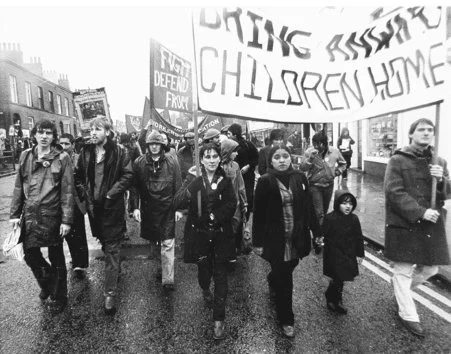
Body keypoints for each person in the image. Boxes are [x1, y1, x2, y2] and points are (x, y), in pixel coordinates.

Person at [384, 118, 450, 338]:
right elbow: (394, 192)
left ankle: (401, 293)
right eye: (421, 129)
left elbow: (447, 193)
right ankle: (408, 315)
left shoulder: (439, 160)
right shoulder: (398, 160)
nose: (426, 133)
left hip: (431, 225)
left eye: (430, 130)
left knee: (431, 269)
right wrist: (420, 211)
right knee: (402, 270)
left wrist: (441, 181)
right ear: (411, 134)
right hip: (405, 222)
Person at [253, 145, 321, 338]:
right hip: (276, 240)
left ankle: (273, 278)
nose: (282, 160)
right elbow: (258, 215)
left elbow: (309, 207)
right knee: (286, 281)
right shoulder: (266, 181)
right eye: (277, 157)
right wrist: (257, 242)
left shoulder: (299, 178)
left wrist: (317, 232)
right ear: (271, 161)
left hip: (296, 238)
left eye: (285, 156)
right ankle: (286, 319)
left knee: (286, 270)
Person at [10, 119, 74, 313]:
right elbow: (18, 186)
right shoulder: (25, 156)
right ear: (35, 135)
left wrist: (66, 220)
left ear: (54, 136)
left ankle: (60, 296)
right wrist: (14, 214)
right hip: (30, 216)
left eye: (48, 133)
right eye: (41, 132)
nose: (44, 136)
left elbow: (68, 191)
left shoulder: (62, 158)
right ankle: (48, 285)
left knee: (56, 257)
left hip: (52, 215)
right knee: (30, 255)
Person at [174, 143, 236, 340]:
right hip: (200, 237)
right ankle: (204, 288)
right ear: (201, 160)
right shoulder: (196, 181)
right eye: (207, 156)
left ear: (219, 159)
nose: (211, 160)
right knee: (204, 272)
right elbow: (179, 202)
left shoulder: (226, 181)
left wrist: (214, 217)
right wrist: (189, 179)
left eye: (214, 156)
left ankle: (219, 320)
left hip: (221, 236)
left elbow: (231, 205)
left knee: (221, 276)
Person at [75, 117, 133, 314]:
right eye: (91, 129)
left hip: (112, 208)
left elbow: (128, 176)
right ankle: (114, 271)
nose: (93, 132)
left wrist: (111, 193)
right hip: (94, 210)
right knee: (104, 242)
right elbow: (78, 176)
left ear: (108, 132)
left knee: (112, 249)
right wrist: (86, 194)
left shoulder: (120, 152)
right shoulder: (86, 151)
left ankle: (110, 294)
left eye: (98, 129)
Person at [130, 131, 182, 291]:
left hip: (167, 208)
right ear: (147, 145)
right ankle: (161, 267)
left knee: (167, 242)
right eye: (151, 143)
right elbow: (135, 187)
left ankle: (168, 279)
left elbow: (178, 186)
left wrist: (179, 208)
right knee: (154, 243)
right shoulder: (139, 163)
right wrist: (135, 207)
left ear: (162, 145)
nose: (154, 146)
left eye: (157, 144)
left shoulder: (172, 162)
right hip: (149, 208)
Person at [300, 131, 346, 253]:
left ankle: (318, 233)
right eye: (315, 144)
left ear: (326, 143)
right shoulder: (309, 152)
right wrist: (310, 159)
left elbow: (343, 163)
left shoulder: (334, 151)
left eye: (321, 144)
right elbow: (302, 168)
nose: (318, 147)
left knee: (323, 213)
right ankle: (318, 239)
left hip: (328, 186)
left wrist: (337, 172)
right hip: (315, 186)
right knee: (319, 213)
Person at [322, 190, 364, 314]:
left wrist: (360, 254)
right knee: (338, 277)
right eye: (344, 203)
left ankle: (333, 296)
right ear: (337, 204)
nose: (348, 206)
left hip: (348, 254)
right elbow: (322, 233)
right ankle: (334, 300)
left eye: (350, 204)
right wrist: (319, 241)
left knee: (342, 277)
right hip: (333, 254)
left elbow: (359, 237)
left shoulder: (354, 219)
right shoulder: (330, 218)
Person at [59, 133, 89, 279]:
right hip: (63, 201)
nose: (63, 147)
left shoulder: (78, 159)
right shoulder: (57, 159)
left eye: (66, 144)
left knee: (79, 232)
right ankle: (74, 259)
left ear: (72, 144)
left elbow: (85, 178)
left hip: (77, 200)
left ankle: (80, 263)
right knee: (68, 234)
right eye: (61, 144)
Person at [220, 138, 248, 268]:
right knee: (222, 232)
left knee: (233, 231)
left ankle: (230, 256)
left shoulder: (236, 166)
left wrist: (244, 203)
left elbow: (241, 186)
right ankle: (227, 257)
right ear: (227, 151)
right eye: (234, 151)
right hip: (221, 205)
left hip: (235, 205)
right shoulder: (217, 166)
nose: (236, 154)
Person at [227, 123, 258, 219]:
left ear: (235, 135)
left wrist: (248, 166)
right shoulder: (228, 146)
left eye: (229, 134)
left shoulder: (248, 145)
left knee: (247, 198)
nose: (228, 136)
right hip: (234, 177)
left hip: (247, 177)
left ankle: (245, 220)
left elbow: (256, 158)